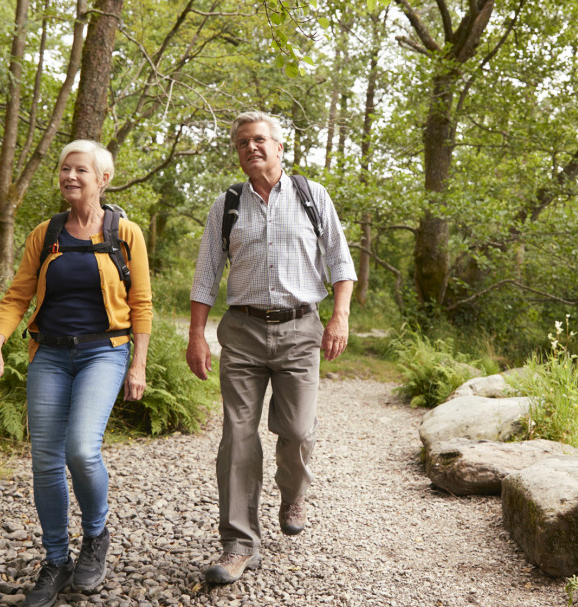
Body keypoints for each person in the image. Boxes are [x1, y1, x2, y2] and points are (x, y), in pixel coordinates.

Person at [0, 140, 152, 607]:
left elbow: (142, 305)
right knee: (45, 461)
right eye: (64, 169)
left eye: (80, 170)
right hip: (48, 354)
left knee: (81, 449)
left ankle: (95, 536)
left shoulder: (126, 233)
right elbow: (17, 295)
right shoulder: (46, 232)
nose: (69, 176)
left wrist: (139, 364)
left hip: (104, 352)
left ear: (103, 179)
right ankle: (56, 560)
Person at [186, 111, 356, 584]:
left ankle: (293, 491)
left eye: (260, 140)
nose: (251, 148)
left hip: (301, 330)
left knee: (298, 431)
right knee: (237, 436)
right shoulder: (228, 204)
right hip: (241, 333)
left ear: (280, 148)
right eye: (242, 143)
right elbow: (205, 277)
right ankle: (239, 544)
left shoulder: (311, 195)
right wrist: (196, 335)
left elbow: (340, 263)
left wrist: (338, 317)